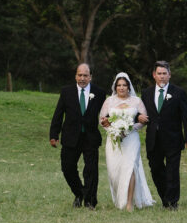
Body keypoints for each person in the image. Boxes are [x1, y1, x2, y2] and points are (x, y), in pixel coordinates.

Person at [49, 63, 106, 209]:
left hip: (90, 137)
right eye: (80, 75)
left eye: (85, 75)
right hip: (70, 137)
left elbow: (106, 113)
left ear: (90, 77)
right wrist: (54, 134)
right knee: (67, 168)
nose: (82, 78)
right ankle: (79, 193)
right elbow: (58, 114)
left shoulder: (99, 93)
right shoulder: (66, 92)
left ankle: (90, 201)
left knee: (91, 170)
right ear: (75, 76)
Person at [141, 60, 187, 209]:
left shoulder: (179, 92)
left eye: (165, 73)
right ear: (154, 75)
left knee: (172, 172)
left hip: (173, 139)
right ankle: (166, 198)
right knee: (155, 169)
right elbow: (140, 113)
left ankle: (172, 202)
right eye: (159, 73)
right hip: (153, 139)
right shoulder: (146, 93)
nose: (162, 76)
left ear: (169, 75)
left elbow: (186, 117)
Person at [99, 72, 153, 211]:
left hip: (131, 139)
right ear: (115, 87)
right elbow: (102, 120)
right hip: (114, 140)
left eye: (124, 85)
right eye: (119, 85)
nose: (121, 88)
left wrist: (130, 128)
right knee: (114, 171)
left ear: (129, 87)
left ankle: (129, 203)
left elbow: (144, 120)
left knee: (130, 168)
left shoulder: (136, 101)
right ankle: (120, 198)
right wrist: (114, 130)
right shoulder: (109, 101)